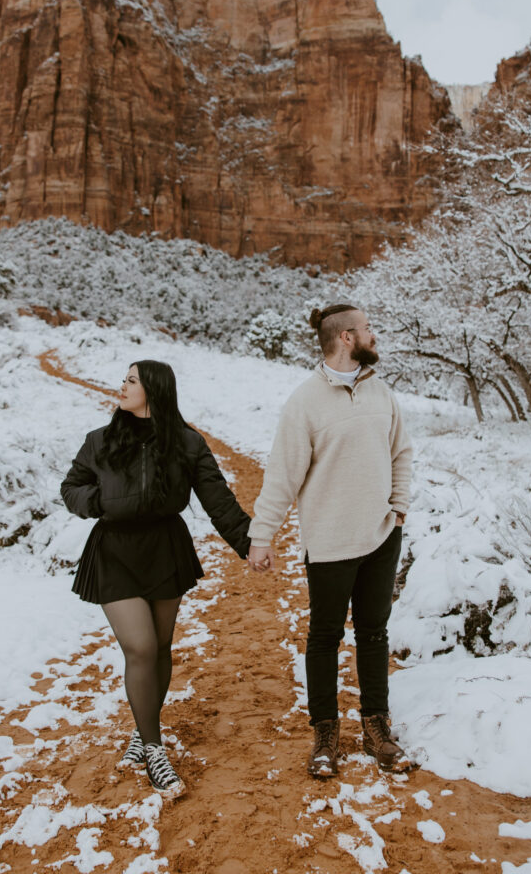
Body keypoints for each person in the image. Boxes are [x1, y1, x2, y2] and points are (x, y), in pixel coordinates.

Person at [61, 360, 251, 799]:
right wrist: (101, 499)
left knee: (161, 648)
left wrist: (248, 542)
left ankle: (142, 727)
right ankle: (154, 748)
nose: (122, 386)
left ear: (155, 391)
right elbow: (70, 488)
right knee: (140, 646)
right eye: (124, 379)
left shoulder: (186, 443)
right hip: (115, 551)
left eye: (131, 380)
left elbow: (217, 498)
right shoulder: (101, 441)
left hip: (164, 549)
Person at [247, 304, 413, 777]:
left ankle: (377, 729)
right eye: (367, 329)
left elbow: (401, 451)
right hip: (329, 540)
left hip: (381, 535)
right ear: (345, 338)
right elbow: (282, 475)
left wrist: (398, 506)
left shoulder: (381, 392)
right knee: (324, 636)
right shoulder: (305, 403)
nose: (373, 334)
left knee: (374, 633)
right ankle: (325, 735)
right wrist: (264, 534)